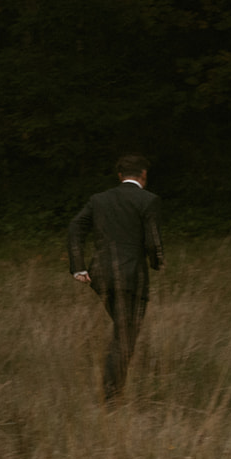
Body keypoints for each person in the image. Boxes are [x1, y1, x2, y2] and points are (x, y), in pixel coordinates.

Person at [67, 154, 164, 401]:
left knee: (124, 329)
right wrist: (156, 262)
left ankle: (114, 389)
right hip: (131, 277)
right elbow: (153, 240)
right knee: (125, 334)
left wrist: (78, 267)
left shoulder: (99, 200)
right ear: (143, 175)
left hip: (99, 276)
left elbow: (75, 227)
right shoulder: (148, 200)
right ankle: (111, 397)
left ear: (120, 176)